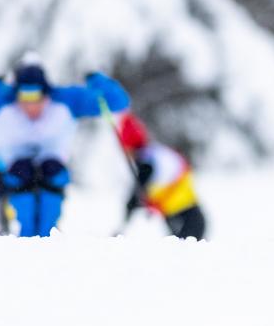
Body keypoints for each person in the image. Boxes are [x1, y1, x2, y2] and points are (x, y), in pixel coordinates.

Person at [0, 61, 100, 237]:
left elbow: (116, 102)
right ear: (16, 94)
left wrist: (99, 84)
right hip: (13, 178)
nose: (30, 105)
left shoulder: (66, 101)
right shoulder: (0, 102)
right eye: (24, 97)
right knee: (22, 170)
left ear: (46, 93)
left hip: (50, 176)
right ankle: (21, 236)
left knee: (52, 169)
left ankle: (47, 235)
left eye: (35, 96)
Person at [84, 73, 207, 240]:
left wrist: (128, 214)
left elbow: (139, 189)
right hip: (181, 214)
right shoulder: (152, 154)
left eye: (126, 148)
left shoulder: (148, 160)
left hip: (186, 218)